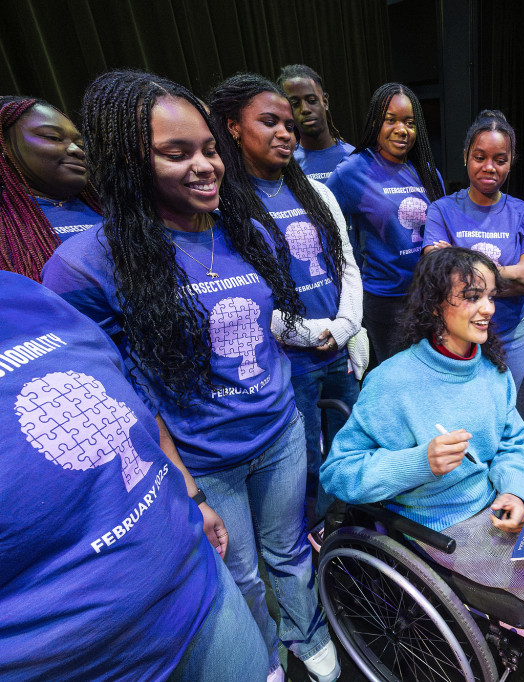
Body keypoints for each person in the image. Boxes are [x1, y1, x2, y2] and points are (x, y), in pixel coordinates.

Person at [41, 70, 339, 682]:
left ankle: (307, 635)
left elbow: (267, 327)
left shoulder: (248, 229)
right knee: (242, 576)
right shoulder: (86, 264)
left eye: (208, 149)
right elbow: (110, 396)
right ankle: (266, 661)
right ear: (129, 161)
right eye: (176, 153)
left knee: (288, 554)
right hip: (202, 460)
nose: (205, 166)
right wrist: (188, 487)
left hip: (279, 433)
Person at [320, 247, 524, 682]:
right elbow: (338, 473)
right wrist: (418, 462)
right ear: (434, 305)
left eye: (490, 296)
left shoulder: (492, 371)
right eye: (471, 297)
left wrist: (516, 492)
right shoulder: (392, 383)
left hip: (494, 508)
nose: (488, 308)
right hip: (443, 527)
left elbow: (512, 445)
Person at [0, 270, 267, 681]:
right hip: (84, 663)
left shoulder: (26, 294)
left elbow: (131, 400)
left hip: (203, 597)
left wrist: (193, 498)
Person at [208, 73, 362, 514]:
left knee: (351, 447)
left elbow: (348, 262)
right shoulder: (225, 204)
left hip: (340, 348)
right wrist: (312, 334)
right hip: (289, 360)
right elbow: (243, 296)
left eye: (289, 125)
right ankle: (317, 534)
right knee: (306, 465)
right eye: (269, 122)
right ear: (234, 127)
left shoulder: (316, 192)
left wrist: (345, 325)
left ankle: (348, 529)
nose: (285, 133)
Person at [325, 82, 445, 369]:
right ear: (375, 122)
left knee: (431, 373)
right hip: (387, 301)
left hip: (430, 297)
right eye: (390, 120)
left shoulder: (426, 170)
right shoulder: (353, 171)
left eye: (410, 123)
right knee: (399, 380)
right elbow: (324, 224)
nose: (402, 129)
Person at [423, 110, 524, 388]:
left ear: (510, 162)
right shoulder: (441, 210)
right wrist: (510, 272)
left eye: (500, 160)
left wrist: (462, 273)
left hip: (510, 337)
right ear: (466, 155)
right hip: (456, 338)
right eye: (480, 157)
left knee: (504, 413)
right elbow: (440, 281)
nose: (489, 167)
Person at [0, 96, 102, 281]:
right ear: (4, 147)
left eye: (80, 144)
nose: (77, 150)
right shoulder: (6, 225)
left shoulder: (113, 209)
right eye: (54, 137)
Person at [277, 64, 355, 181]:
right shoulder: (286, 165)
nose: (305, 109)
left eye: (312, 101)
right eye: (295, 104)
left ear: (325, 102)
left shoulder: (353, 158)